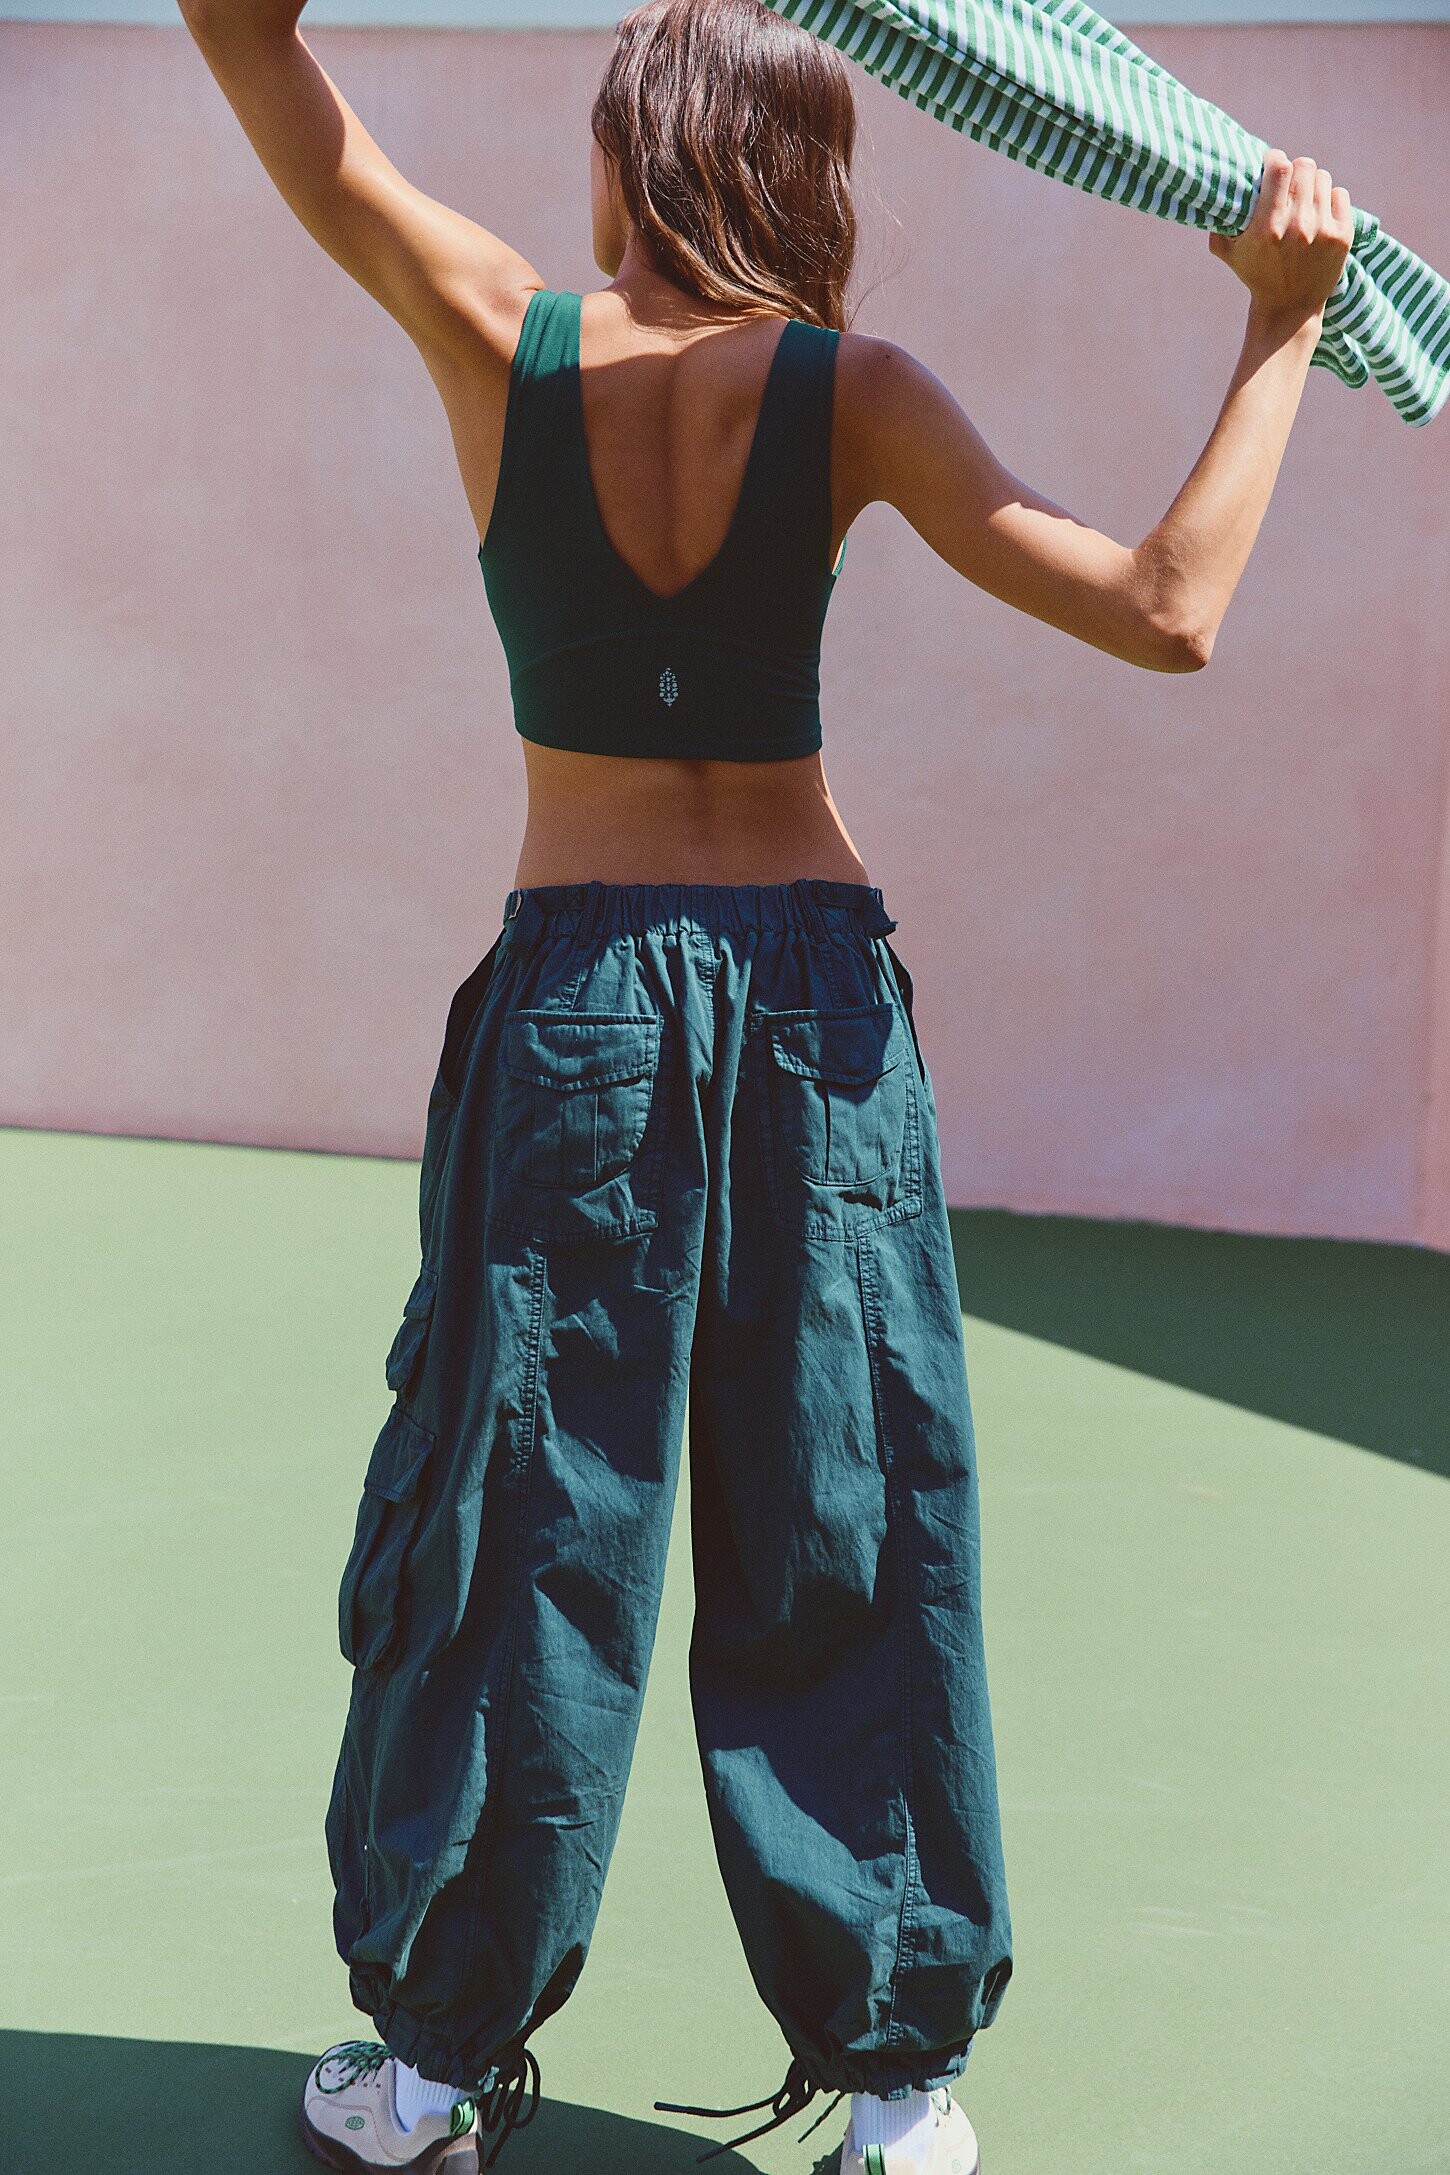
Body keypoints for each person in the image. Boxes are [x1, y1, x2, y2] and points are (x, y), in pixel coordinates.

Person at [175, 0, 1353, 2166]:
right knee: (847, 1498)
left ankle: (430, 2069)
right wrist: (1279, 324)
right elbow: (1167, 608)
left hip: (579, 1002)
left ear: (635, 157)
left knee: (519, 1512)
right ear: (802, 175)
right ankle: (898, 2093)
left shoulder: (494, 332)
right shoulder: (853, 391)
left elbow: (251, 54)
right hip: (814, 995)